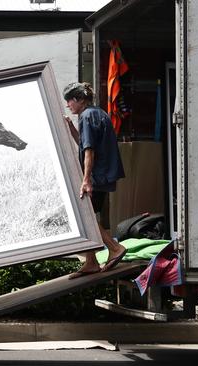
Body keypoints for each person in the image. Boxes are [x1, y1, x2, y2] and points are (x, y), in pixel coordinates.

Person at [62, 82, 127, 279]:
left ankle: (114, 248)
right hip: (103, 175)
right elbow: (84, 144)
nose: (68, 105)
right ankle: (91, 261)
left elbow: (89, 151)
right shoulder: (96, 113)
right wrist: (72, 128)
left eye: (69, 101)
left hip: (97, 177)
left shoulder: (87, 116)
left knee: (85, 216)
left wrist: (86, 179)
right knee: (88, 215)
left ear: (80, 100)